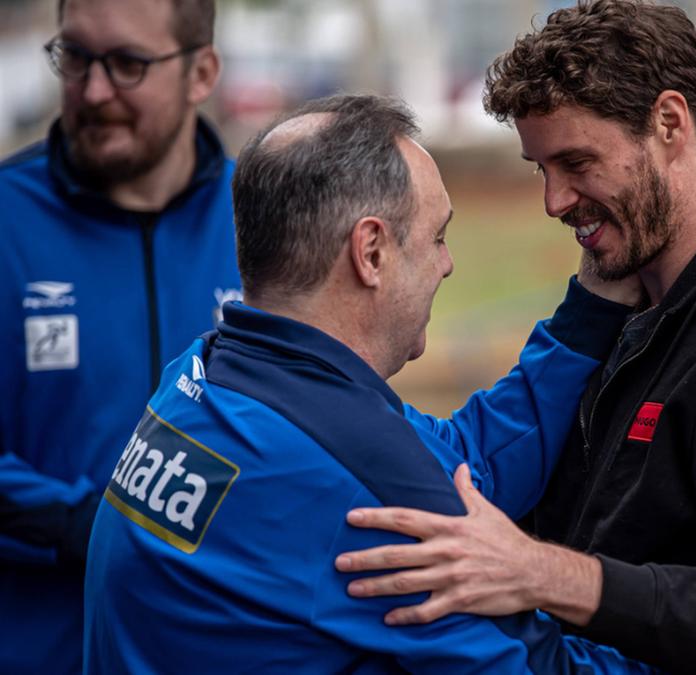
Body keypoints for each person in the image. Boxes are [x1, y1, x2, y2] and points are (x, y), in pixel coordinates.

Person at [333, 2, 696, 672]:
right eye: (541, 168)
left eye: (576, 161)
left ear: (670, 124)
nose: (555, 200)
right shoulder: (627, 302)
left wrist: (540, 572)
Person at [83, 94, 655, 673]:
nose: (448, 262)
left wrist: (588, 314)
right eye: (437, 236)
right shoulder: (361, 487)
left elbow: (451, 463)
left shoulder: (203, 380)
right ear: (372, 251)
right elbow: (537, 665)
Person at [0, 0, 236, 671]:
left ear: (202, 72)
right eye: (76, 57)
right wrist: (98, 525)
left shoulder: (268, 229)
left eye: (128, 63)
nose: (94, 90)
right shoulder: (6, 222)